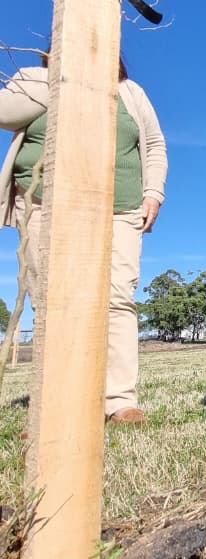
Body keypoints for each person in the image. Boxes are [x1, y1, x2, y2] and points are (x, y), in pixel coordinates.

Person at [0, 51, 168, 423]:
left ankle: (119, 400)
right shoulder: (34, 77)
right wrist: (59, 74)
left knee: (118, 297)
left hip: (120, 209)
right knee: (52, 302)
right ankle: (56, 404)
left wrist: (153, 193)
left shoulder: (130, 91)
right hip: (45, 205)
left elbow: (154, 145)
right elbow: (4, 113)